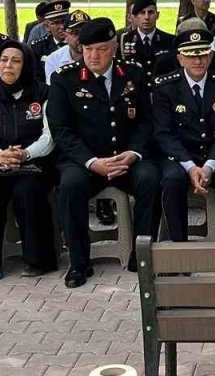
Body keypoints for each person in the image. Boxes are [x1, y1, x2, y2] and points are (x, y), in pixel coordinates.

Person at [46, 19, 160, 287]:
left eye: (101, 49)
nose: (94, 56)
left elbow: (146, 121)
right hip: (85, 161)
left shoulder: (133, 74)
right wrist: (91, 162)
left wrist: (134, 152)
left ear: (114, 47)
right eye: (88, 49)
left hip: (125, 157)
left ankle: (142, 255)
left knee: (150, 178)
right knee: (70, 186)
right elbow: (61, 130)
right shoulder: (65, 79)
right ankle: (79, 263)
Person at [0, 40, 59, 279]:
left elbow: (49, 136)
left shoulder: (44, 93)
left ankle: (38, 260)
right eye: (4, 60)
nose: (8, 65)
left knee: (28, 191)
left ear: (26, 65)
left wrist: (25, 154)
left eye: (16, 61)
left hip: (34, 163)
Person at [152, 29, 215, 243]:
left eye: (202, 54)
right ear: (180, 58)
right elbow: (164, 133)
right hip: (180, 155)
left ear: (211, 56)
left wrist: (209, 166)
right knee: (172, 179)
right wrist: (190, 167)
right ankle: (180, 248)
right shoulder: (165, 88)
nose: (197, 61)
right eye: (191, 55)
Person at [119, 0, 177, 73]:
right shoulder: (123, 40)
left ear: (157, 15)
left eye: (150, 12)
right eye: (142, 13)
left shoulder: (171, 40)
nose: (146, 17)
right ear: (135, 17)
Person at [44, 10, 91, 81]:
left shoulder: (99, 57)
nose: (81, 37)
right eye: (75, 33)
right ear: (65, 36)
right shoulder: (53, 60)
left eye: (85, 32)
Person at [30, 0, 72, 67]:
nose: (62, 26)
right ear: (47, 26)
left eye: (64, 21)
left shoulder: (78, 44)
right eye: (56, 23)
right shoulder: (39, 47)